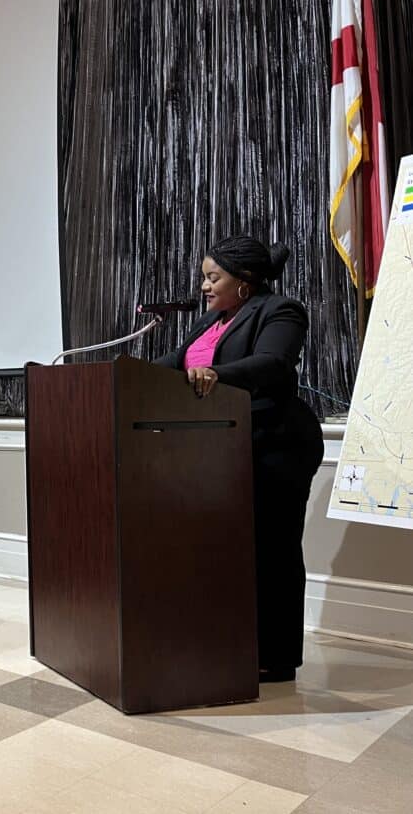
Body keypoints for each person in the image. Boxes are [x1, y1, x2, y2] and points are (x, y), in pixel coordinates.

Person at [152, 236, 323, 684]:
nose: (204, 287)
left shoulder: (280, 310)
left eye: (213, 278)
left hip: (276, 441)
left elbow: (272, 363)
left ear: (243, 281)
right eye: (204, 278)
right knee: (230, 548)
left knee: (273, 549)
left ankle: (276, 658)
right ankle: (232, 643)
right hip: (226, 445)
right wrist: (122, 372)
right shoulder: (212, 322)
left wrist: (215, 374)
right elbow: (175, 363)